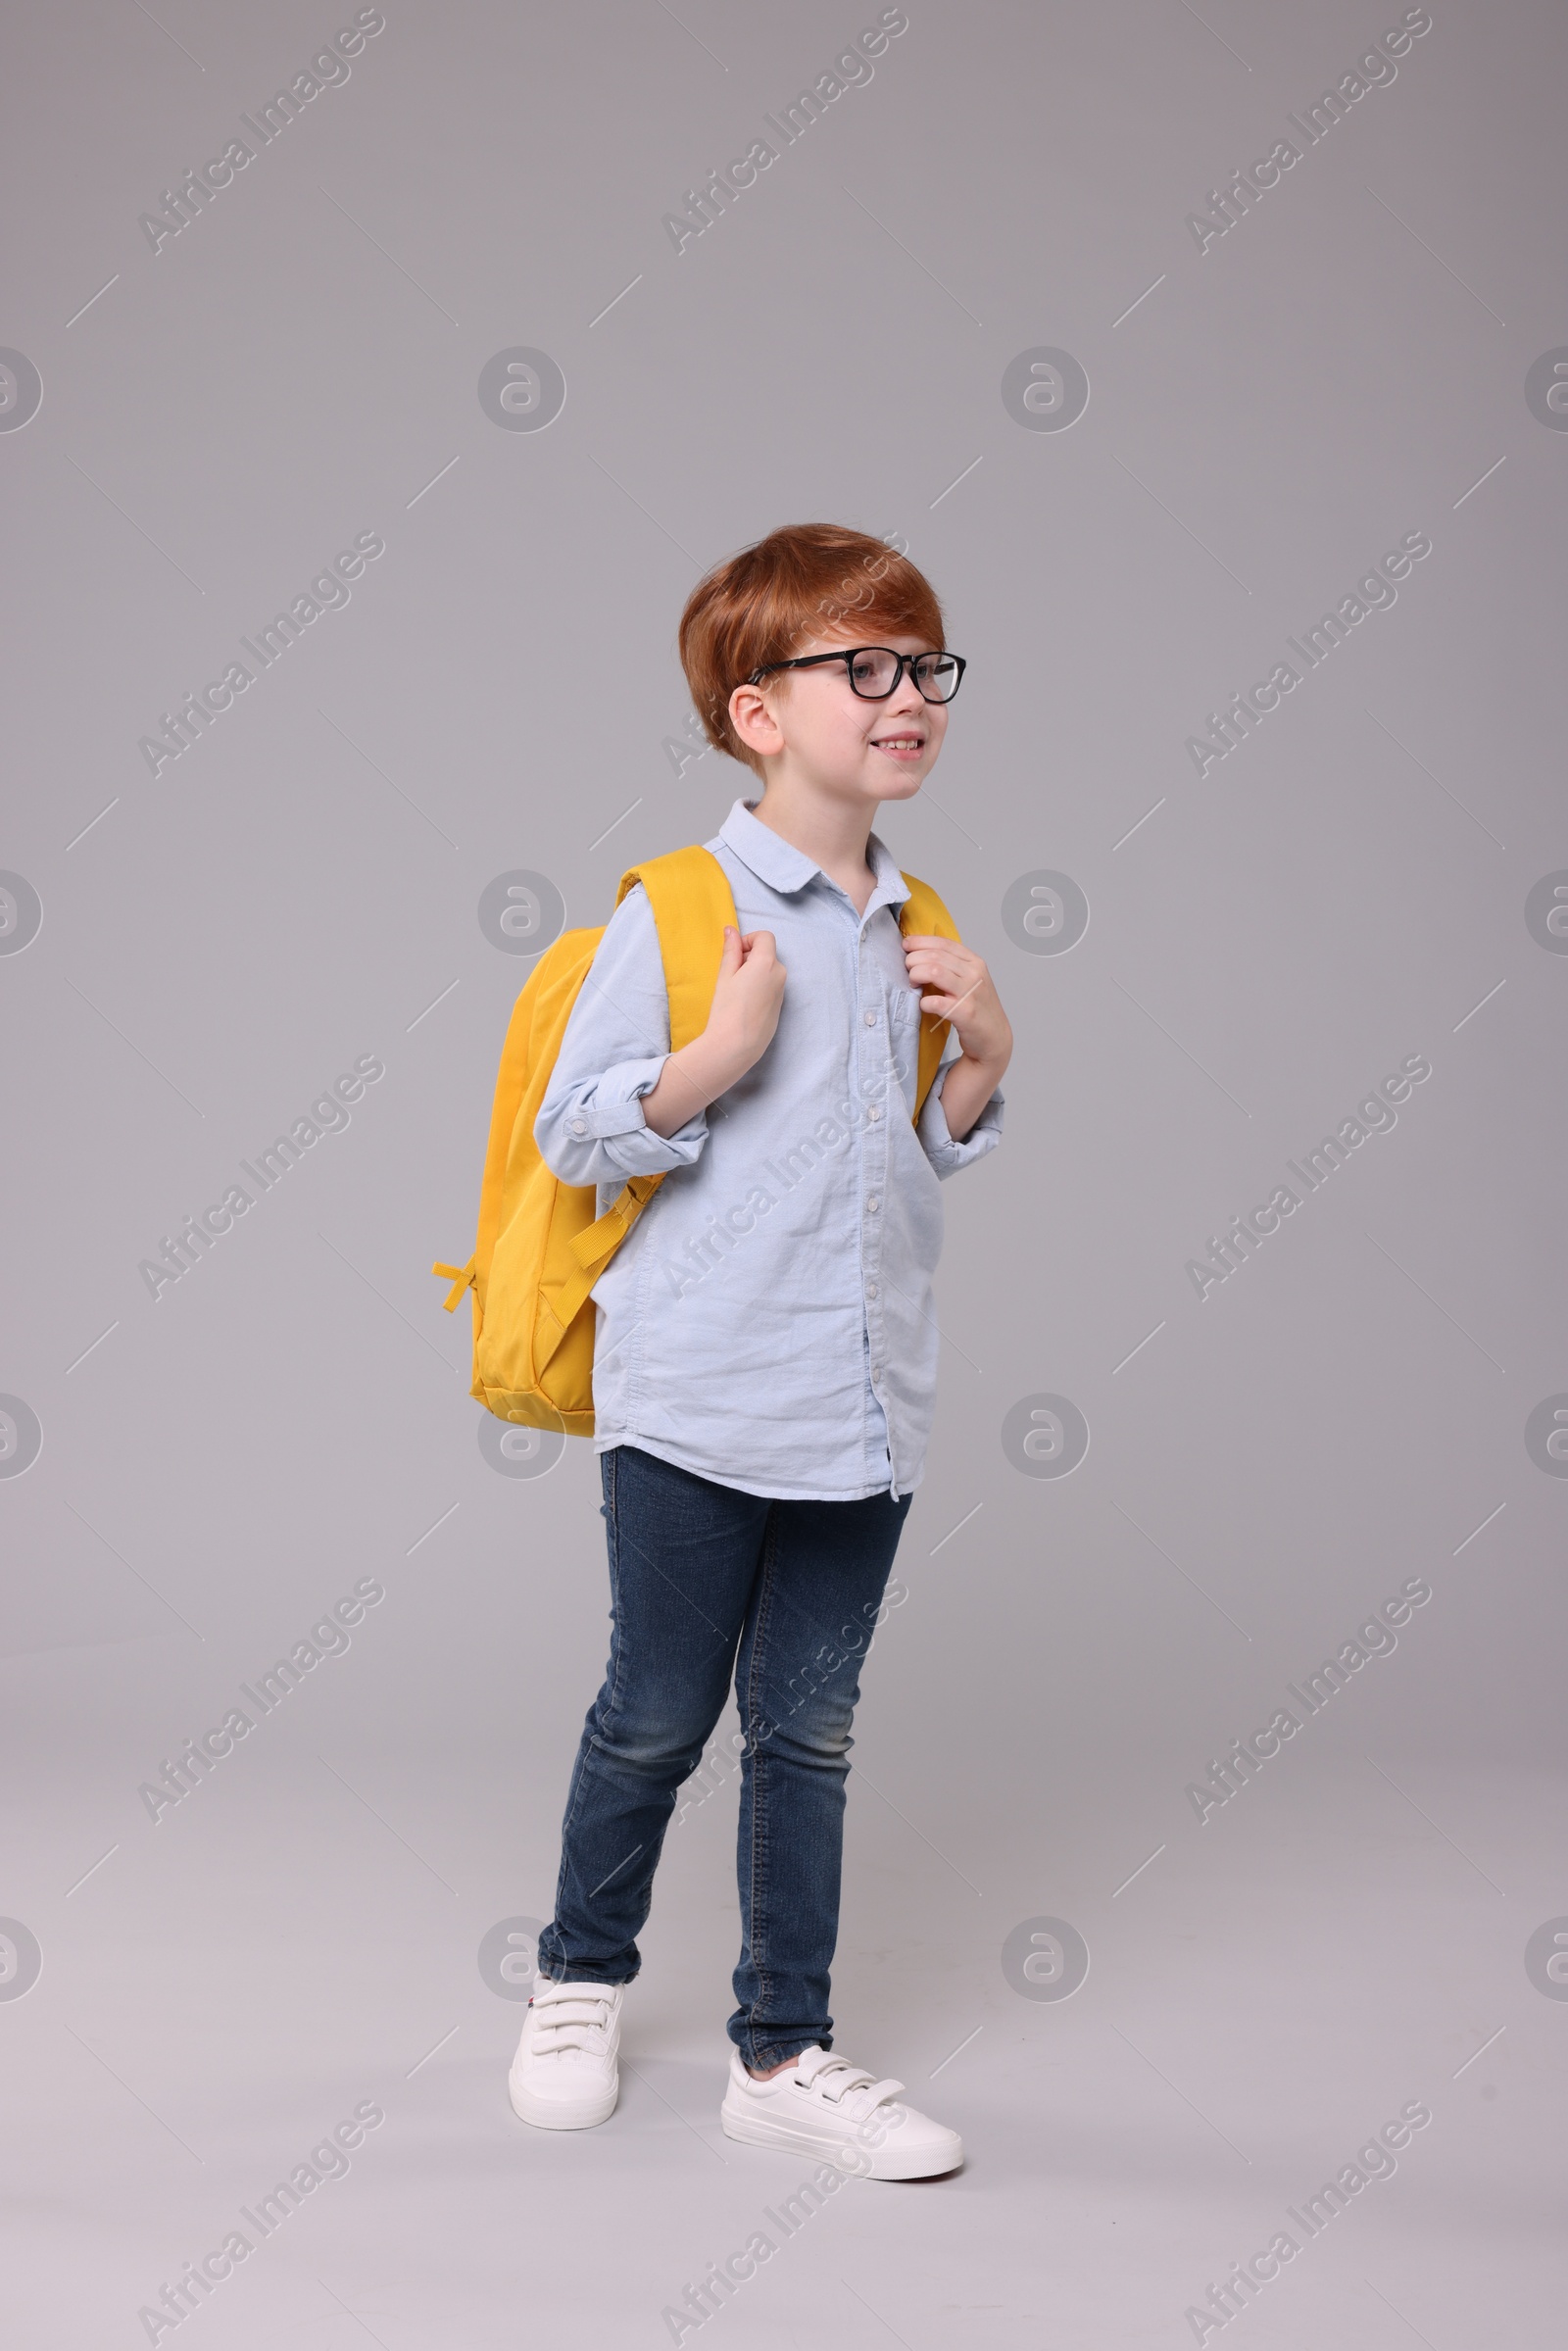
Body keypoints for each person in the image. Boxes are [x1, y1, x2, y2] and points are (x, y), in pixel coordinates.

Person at [507, 523, 1011, 2178]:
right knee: (657, 1709)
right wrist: (718, 1052)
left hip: (864, 1406)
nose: (905, 697)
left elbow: (908, 1164)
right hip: (698, 1398)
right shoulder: (680, 907)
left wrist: (984, 1060)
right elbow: (578, 1136)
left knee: (810, 1731)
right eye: (859, 668)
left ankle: (782, 2048)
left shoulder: (917, 915)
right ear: (755, 712)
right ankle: (580, 1979)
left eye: (922, 666)